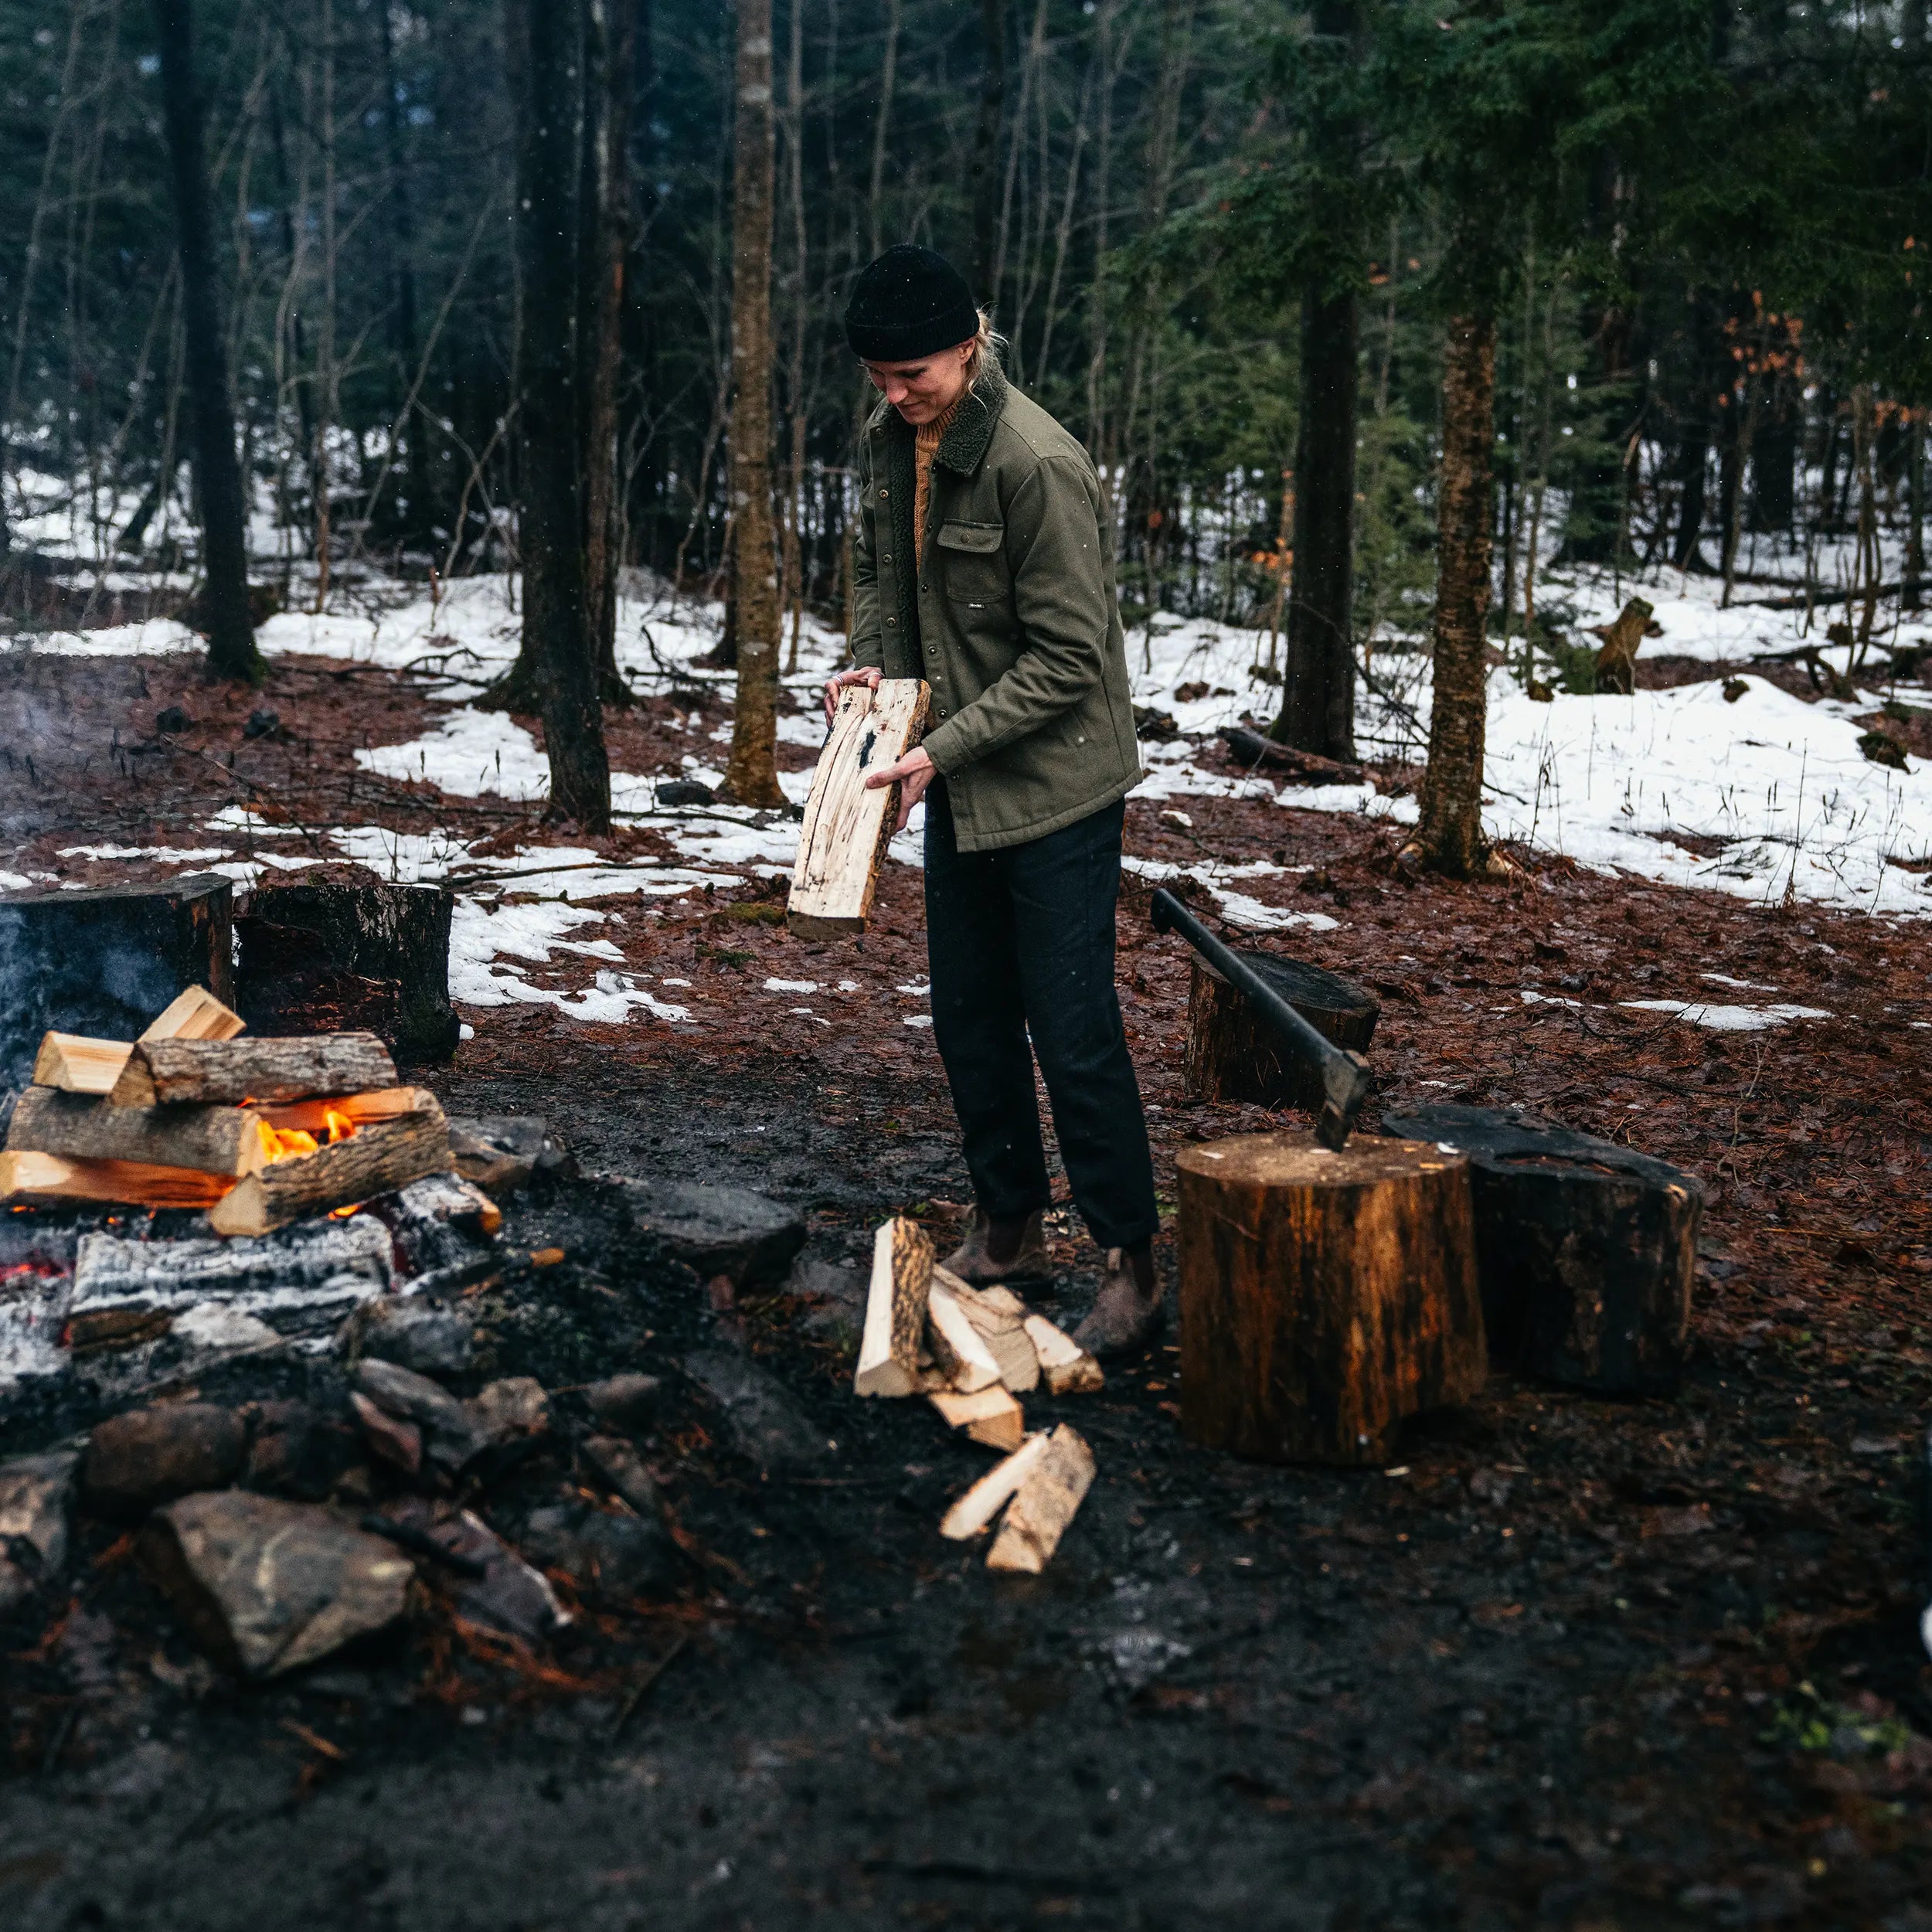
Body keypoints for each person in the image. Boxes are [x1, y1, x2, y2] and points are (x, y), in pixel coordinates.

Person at [821, 243, 1161, 1356]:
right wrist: (874, 670)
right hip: (955, 771)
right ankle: (1007, 1228)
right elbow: (879, 573)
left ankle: (1131, 1259)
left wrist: (941, 748)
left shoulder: (1034, 463)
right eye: (878, 376)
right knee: (970, 1016)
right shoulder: (891, 441)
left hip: (1056, 783)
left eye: (913, 374)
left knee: (1071, 1028)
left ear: (970, 342)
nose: (895, 394)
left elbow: (1073, 657)